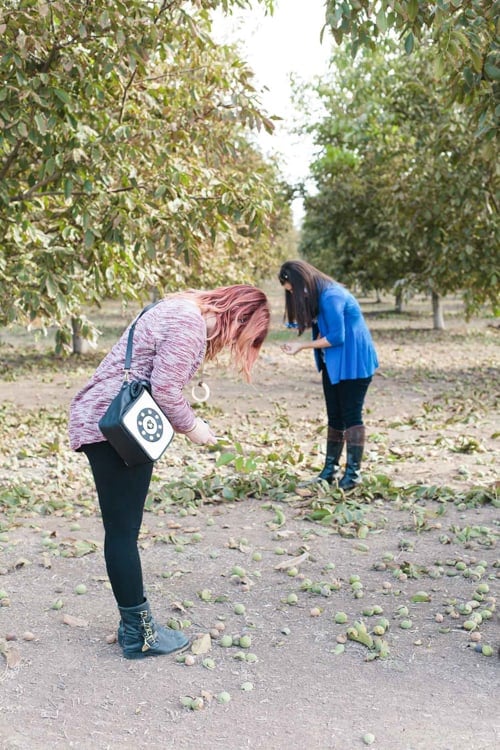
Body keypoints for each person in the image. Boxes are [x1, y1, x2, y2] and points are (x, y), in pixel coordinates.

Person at [69, 285, 270, 659]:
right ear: (239, 316)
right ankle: (139, 635)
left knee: (120, 529)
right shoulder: (189, 321)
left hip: (104, 419)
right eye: (244, 336)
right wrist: (195, 428)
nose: (234, 344)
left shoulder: (176, 309)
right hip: (115, 426)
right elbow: (164, 389)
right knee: (123, 532)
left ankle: (133, 625)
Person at [278, 260, 378, 490]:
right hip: (333, 364)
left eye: (293, 289)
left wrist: (301, 347)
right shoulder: (318, 294)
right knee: (335, 417)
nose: (294, 295)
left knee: (351, 415)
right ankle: (328, 472)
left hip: (353, 363)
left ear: (302, 281)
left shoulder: (331, 295)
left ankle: (353, 475)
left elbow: (337, 337)